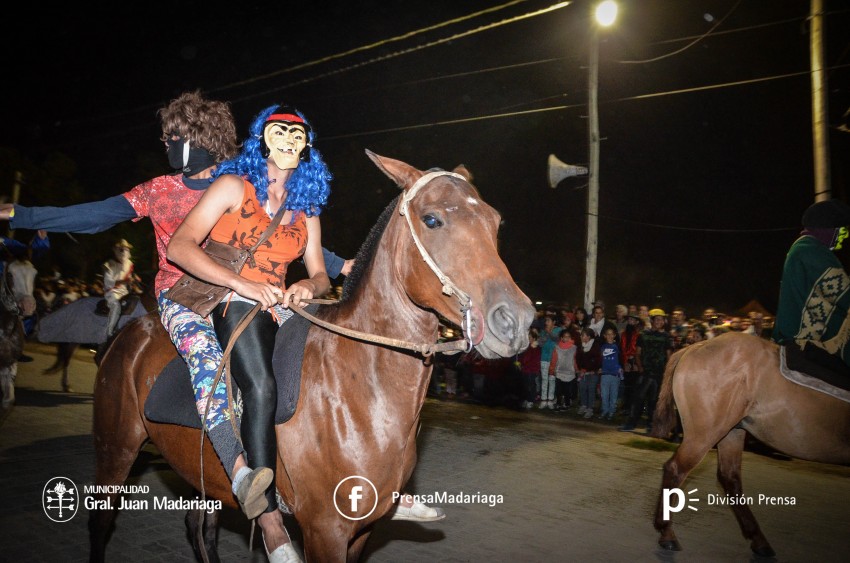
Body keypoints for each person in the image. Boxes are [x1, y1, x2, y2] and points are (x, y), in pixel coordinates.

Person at [773, 198, 850, 368]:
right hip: (804, 336)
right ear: (830, 230)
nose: (846, 236)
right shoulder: (811, 251)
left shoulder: (804, 248)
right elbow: (843, 293)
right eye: (843, 230)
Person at [619, 309, 673, 433]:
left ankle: (650, 424)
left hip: (659, 373)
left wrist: (668, 372)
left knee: (654, 401)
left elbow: (669, 355)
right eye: (657, 319)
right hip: (645, 371)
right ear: (652, 320)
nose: (660, 321)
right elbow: (637, 353)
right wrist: (640, 366)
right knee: (638, 398)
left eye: (661, 319)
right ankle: (631, 423)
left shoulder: (667, 337)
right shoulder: (643, 335)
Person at [102, 239, 140, 340]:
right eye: (121, 249)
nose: (124, 252)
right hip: (111, 291)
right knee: (116, 306)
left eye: (126, 249)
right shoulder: (109, 264)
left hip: (125, 292)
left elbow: (130, 279)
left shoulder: (129, 264)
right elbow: (108, 282)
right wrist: (124, 281)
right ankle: (109, 332)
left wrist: (134, 282)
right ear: (116, 250)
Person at [575, 327, 602, 418]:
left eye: (584, 335)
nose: (582, 337)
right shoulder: (580, 346)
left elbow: (597, 359)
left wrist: (589, 368)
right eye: (581, 335)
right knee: (582, 388)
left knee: (591, 389)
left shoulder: (595, 346)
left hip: (593, 372)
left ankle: (590, 408)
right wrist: (580, 368)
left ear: (589, 337)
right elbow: (578, 358)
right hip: (583, 372)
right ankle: (583, 405)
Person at [598, 326, 624, 420]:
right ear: (605, 336)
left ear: (614, 335)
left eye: (611, 334)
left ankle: (612, 411)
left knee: (614, 394)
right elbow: (599, 359)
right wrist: (599, 368)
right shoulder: (602, 347)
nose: (609, 336)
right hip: (605, 374)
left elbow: (622, 359)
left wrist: (621, 368)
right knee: (604, 394)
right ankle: (605, 410)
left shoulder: (618, 346)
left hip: (615, 374)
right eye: (607, 334)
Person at [549, 328, 577, 410]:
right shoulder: (557, 348)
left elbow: (575, 360)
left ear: (570, 338)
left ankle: (567, 403)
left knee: (567, 390)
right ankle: (558, 403)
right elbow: (554, 360)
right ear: (561, 338)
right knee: (558, 390)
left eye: (568, 337)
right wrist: (551, 369)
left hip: (569, 372)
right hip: (559, 372)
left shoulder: (574, 348)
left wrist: (576, 369)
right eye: (565, 337)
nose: (567, 338)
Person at [537, 315, 561, 409]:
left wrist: (549, 332)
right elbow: (540, 343)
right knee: (544, 379)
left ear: (554, 322)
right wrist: (546, 334)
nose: (546, 322)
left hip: (554, 359)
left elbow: (556, 339)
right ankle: (543, 400)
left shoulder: (559, 330)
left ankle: (550, 400)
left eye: (549, 320)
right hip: (544, 358)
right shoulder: (543, 331)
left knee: (552, 379)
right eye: (546, 320)